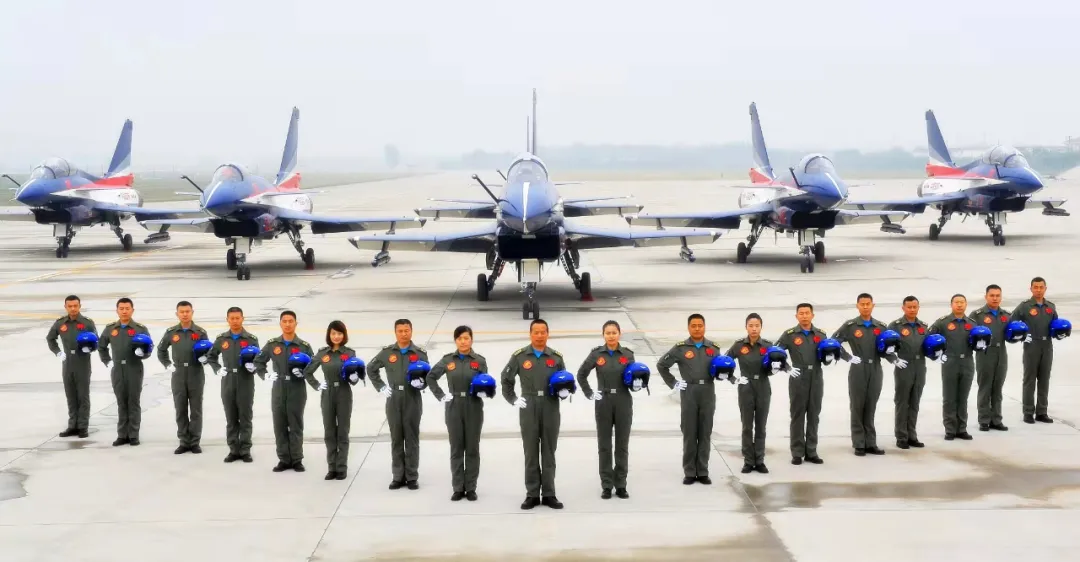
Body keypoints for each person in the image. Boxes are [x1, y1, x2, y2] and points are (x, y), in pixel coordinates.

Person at [501, 319, 567, 510]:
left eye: (543, 332)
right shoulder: (520, 356)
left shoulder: (556, 358)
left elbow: (564, 380)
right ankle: (532, 494)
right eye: (536, 332)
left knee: (549, 451)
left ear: (548, 334)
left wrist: (564, 392)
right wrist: (513, 399)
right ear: (530, 334)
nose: (539, 336)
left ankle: (549, 494)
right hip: (528, 405)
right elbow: (506, 378)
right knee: (530, 452)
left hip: (550, 405)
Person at [657, 313, 725, 485]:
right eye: (693, 326)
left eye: (700, 325)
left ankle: (702, 471)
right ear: (688, 328)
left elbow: (720, 368)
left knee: (705, 432)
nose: (697, 329)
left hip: (707, 391)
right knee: (689, 432)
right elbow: (662, 365)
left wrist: (725, 375)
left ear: (704, 327)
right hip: (689, 392)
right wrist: (673, 383)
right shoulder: (680, 348)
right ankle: (689, 471)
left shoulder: (713, 348)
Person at [428, 325, 489, 502]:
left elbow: (485, 381)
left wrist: (485, 391)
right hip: (454, 404)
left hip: (473, 405)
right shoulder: (448, 360)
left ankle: (470, 487)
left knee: (472, 448)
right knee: (456, 448)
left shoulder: (479, 361)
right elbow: (431, 377)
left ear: (471, 340)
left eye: (466, 338)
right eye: (460, 338)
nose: (463, 342)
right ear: (455, 340)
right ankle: (457, 487)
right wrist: (441, 395)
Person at [576, 320, 636, 499]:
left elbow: (632, 378)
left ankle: (621, 484)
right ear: (603, 335)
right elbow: (581, 374)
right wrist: (589, 393)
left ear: (619, 334)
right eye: (608, 333)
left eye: (614, 332)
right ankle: (607, 485)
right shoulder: (596, 354)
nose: (611, 336)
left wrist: (637, 384)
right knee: (604, 445)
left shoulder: (627, 354)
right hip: (603, 401)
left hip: (623, 400)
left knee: (622, 445)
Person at [367, 319, 429, 490]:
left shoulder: (419, 353)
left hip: (412, 397)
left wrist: (422, 384)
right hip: (393, 397)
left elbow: (427, 376)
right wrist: (381, 386)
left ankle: (412, 476)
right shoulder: (387, 353)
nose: (403, 334)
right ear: (395, 332)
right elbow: (371, 368)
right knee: (396, 438)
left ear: (411, 331)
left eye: (406, 330)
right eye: (400, 331)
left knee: (411, 438)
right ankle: (398, 476)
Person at [254, 310, 316, 472]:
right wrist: (265, 375)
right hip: (279, 387)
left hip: (297, 387)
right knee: (279, 424)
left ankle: (296, 459)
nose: (288, 324)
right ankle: (283, 459)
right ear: (280, 323)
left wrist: (304, 372)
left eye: (290, 321)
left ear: (296, 323)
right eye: (284, 321)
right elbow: (258, 361)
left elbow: (313, 365)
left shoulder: (303, 346)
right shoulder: (273, 344)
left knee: (296, 424)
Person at [832, 293, 888, 456]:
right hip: (858, 367)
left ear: (873, 305)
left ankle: (871, 443)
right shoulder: (850, 326)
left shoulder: (881, 327)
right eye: (862, 304)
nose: (865, 307)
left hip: (875, 368)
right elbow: (833, 342)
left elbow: (887, 346)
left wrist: (892, 356)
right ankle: (859, 443)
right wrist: (847, 357)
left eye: (868, 304)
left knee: (871, 405)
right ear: (857, 306)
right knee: (857, 406)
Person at [303, 320, 359, 481]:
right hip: (327, 393)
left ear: (344, 335)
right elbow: (307, 371)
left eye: (339, 333)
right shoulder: (322, 353)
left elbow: (354, 376)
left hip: (343, 392)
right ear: (329, 335)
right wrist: (317, 385)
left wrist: (354, 378)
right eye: (333, 333)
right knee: (329, 431)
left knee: (343, 431)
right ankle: (331, 467)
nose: (336, 336)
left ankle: (341, 467)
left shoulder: (350, 353)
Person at [775, 304, 829, 466]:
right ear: (796, 316)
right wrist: (787, 368)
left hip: (816, 376)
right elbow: (775, 354)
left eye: (807, 313)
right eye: (801, 313)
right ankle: (797, 452)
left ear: (812, 315)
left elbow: (827, 355)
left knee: (814, 414)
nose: (804, 316)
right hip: (798, 376)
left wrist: (829, 358)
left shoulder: (821, 335)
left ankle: (811, 451)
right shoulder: (789, 335)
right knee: (798, 415)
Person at [206, 307, 260, 463]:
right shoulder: (222, 339)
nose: (235, 321)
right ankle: (233, 450)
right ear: (227, 320)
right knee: (231, 417)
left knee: (245, 417)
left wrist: (254, 367)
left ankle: (245, 450)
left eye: (237, 318)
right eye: (232, 318)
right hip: (228, 379)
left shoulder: (251, 339)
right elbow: (211, 356)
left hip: (245, 380)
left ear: (243, 318)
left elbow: (259, 359)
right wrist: (217, 369)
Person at [156, 300, 210, 454]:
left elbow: (208, 351)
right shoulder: (171, 332)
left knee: (196, 409)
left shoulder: (200, 332)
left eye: (187, 311)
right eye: (182, 312)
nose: (185, 314)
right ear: (177, 314)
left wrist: (205, 359)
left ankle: (195, 442)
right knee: (180, 408)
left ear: (192, 313)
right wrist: (167, 364)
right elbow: (161, 350)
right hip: (178, 372)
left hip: (195, 372)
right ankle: (184, 441)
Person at [98, 297, 151, 446]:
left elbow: (149, 348)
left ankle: (133, 435)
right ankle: (122, 435)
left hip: (133, 367)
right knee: (121, 402)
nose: (124, 311)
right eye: (121, 309)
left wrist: (143, 354)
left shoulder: (140, 329)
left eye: (127, 308)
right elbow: (101, 346)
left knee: (133, 402)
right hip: (117, 369)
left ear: (132, 310)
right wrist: (107, 361)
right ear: (117, 310)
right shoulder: (110, 329)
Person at [46, 295, 97, 439]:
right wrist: (58, 352)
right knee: (71, 395)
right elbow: (50, 338)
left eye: (75, 306)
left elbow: (96, 341)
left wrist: (90, 348)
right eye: (70, 306)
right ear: (65, 307)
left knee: (82, 396)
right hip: (67, 362)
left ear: (80, 306)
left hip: (82, 362)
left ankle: (83, 427)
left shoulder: (87, 323)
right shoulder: (60, 323)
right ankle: (72, 425)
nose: (73, 309)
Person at [1009, 277, 1060, 424]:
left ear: (1045, 288)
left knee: (1044, 379)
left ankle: (1042, 412)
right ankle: (1028, 412)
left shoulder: (1051, 307)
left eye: (1041, 287)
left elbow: (1055, 326)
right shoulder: (1024, 306)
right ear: (1030, 289)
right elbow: (1011, 323)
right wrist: (1022, 336)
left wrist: (1060, 333)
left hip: (1047, 345)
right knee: (1029, 380)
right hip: (1031, 345)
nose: (1038, 290)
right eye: (1035, 287)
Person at [731, 313, 777, 473]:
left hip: (763, 386)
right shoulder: (738, 346)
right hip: (746, 387)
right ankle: (748, 461)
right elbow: (724, 362)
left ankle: (760, 460)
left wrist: (775, 370)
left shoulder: (768, 346)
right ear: (746, 327)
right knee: (747, 426)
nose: (754, 329)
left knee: (761, 426)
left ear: (761, 327)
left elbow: (778, 362)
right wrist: (734, 378)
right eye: (751, 326)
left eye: (757, 325)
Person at [929, 294, 977, 441]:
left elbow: (979, 342)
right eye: (956, 302)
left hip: (967, 361)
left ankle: (961, 429)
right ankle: (950, 429)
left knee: (963, 398)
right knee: (949, 397)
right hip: (950, 362)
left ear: (966, 304)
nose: (959, 305)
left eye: (962, 302)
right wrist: (936, 355)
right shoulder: (943, 322)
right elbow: (928, 339)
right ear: (951, 305)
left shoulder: (972, 324)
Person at [886, 296, 931, 449]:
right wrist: (894, 359)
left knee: (915, 402)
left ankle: (912, 435)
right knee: (902, 402)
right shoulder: (896, 326)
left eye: (914, 307)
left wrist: (936, 355)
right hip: (903, 366)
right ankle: (901, 436)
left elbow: (928, 346)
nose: (912, 309)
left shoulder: (923, 326)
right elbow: (885, 346)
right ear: (903, 308)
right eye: (909, 307)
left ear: (918, 307)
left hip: (920, 366)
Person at [970, 285, 1010, 432]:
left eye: (998, 295)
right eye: (992, 295)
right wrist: (976, 344)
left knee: (998, 388)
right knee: (985, 387)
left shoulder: (1006, 315)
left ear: (1001, 297)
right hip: (985, 353)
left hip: (1001, 353)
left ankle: (996, 420)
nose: (995, 298)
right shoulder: (977, 315)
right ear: (986, 297)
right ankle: (984, 420)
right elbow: (969, 335)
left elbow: (1010, 334)